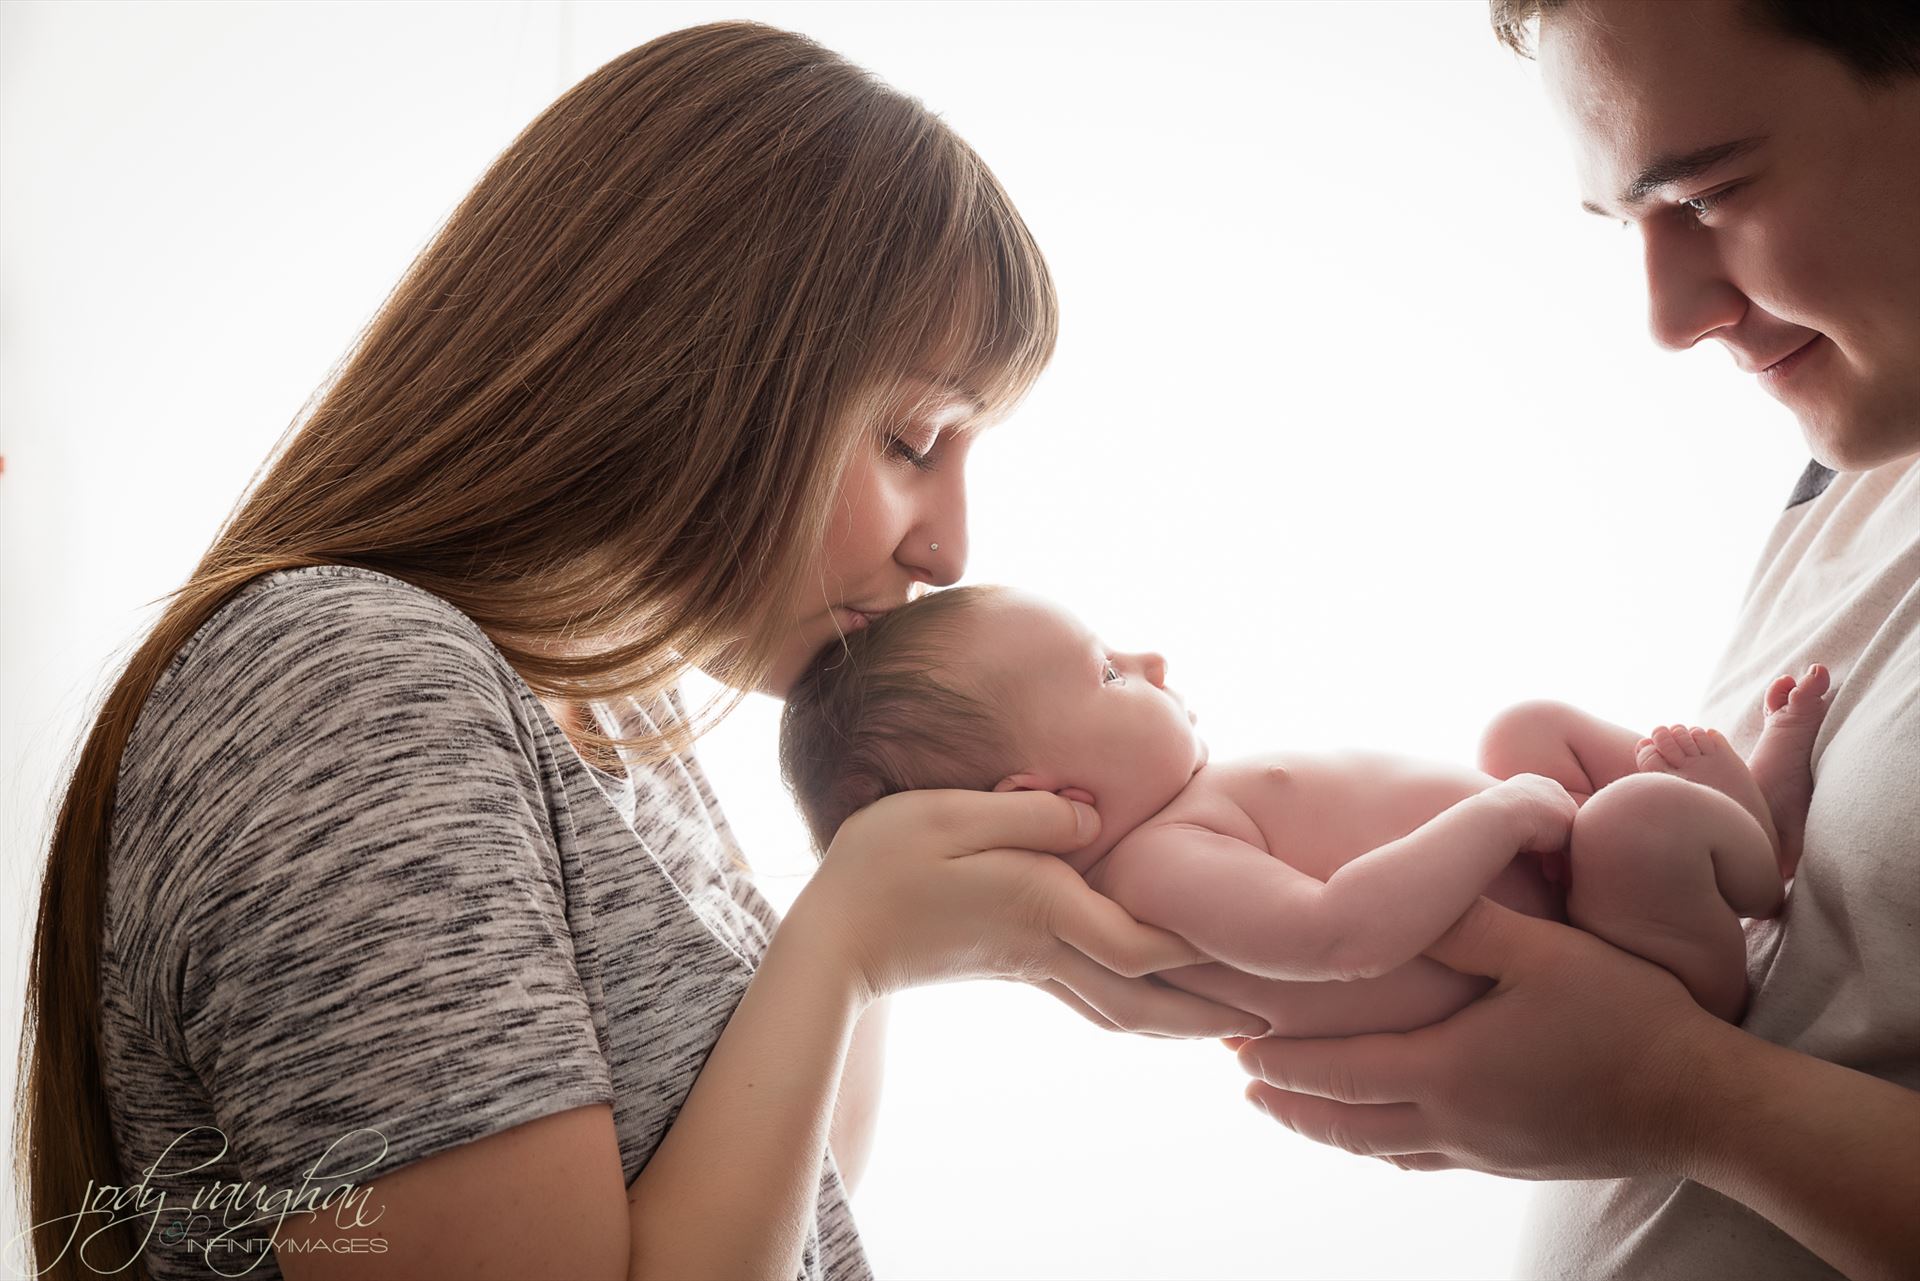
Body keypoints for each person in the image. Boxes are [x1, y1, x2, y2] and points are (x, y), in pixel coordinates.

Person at [12, 21, 1271, 1281]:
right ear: (698, 369)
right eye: (910, 439)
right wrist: (844, 944)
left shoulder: (613, 717)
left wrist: (882, 863)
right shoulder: (346, 689)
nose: (949, 547)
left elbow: (790, 1215)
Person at [1227, 3, 1920, 1277]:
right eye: (1630, 225)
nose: (1668, 315)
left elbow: (1701, 1074)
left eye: (1709, 194)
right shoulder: (1853, 478)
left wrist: (1680, 1096)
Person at [777, 582, 1828, 1033]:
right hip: (1618, 970)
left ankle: (1738, 826)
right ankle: (1756, 860)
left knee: (1527, 723)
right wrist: (1499, 818)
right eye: (1106, 674)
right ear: (1052, 798)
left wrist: (1514, 795)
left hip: (1572, 885)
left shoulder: (1182, 813)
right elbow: (1336, 938)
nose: (1149, 659)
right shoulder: (1155, 870)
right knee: (1630, 819)